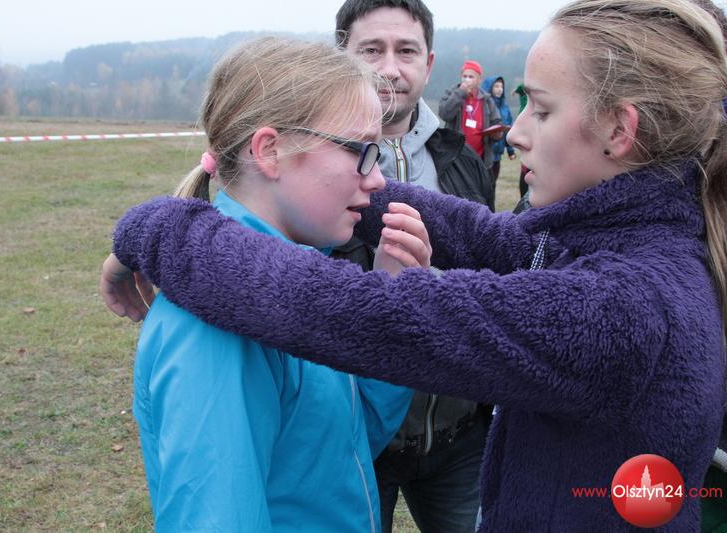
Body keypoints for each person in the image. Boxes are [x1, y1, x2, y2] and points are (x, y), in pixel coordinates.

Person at [102, 0, 727, 530]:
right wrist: (340, 187)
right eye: (360, 153)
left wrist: (162, 227)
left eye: (540, 108)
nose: (515, 133)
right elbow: (474, 232)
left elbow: (349, 313)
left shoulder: (627, 305)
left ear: (619, 130)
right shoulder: (599, 244)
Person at [126, 37, 435, 532]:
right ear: (270, 151)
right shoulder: (217, 324)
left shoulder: (295, 286)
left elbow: (345, 445)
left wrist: (388, 304)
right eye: (361, 151)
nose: (377, 179)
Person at [331, 2, 493, 532]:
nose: (389, 69)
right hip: (353, 441)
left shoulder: (464, 161)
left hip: (460, 439)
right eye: (371, 50)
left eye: (405, 51)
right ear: (341, 55)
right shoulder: (314, 162)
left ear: (429, 62)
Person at [438, 60, 502, 174]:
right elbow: (445, 114)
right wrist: (460, 93)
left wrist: (497, 134)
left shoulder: (487, 100)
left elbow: (496, 123)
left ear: (479, 79)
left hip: (480, 160)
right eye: (464, 76)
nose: (467, 80)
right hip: (455, 159)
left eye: (471, 77)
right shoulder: (452, 93)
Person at [481, 75, 516, 193]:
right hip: (484, 153)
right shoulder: (483, 105)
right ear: (489, 87)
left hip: (497, 155)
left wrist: (510, 150)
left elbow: (508, 130)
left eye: (501, 86)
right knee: (482, 185)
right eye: (496, 86)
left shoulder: (505, 108)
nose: (500, 89)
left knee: (492, 185)